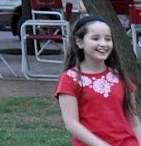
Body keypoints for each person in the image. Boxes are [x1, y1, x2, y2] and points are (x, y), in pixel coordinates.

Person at [57, 14, 141, 146]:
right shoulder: (69, 79)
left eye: (108, 39)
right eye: (95, 38)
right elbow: (72, 123)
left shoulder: (119, 76)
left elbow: (134, 121)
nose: (103, 44)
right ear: (79, 42)